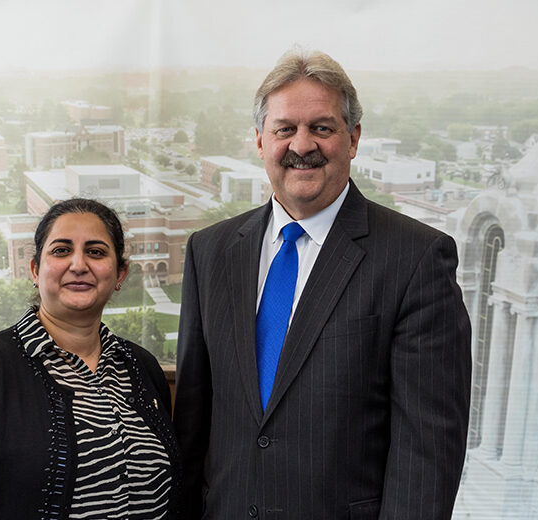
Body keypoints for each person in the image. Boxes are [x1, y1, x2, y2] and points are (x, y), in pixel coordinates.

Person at [173, 49, 472, 519]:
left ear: (352, 139)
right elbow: (193, 426)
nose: (302, 144)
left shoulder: (415, 259)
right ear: (259, 140)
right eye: (285, 129)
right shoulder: (209, 251)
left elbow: (428, 452)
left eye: (322, 128)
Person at [0, 198, 180, 519]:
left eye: (96, 252)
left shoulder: (140, 366)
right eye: (61, 250)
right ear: (35, 270)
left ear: (121, 273)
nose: (78, 264)